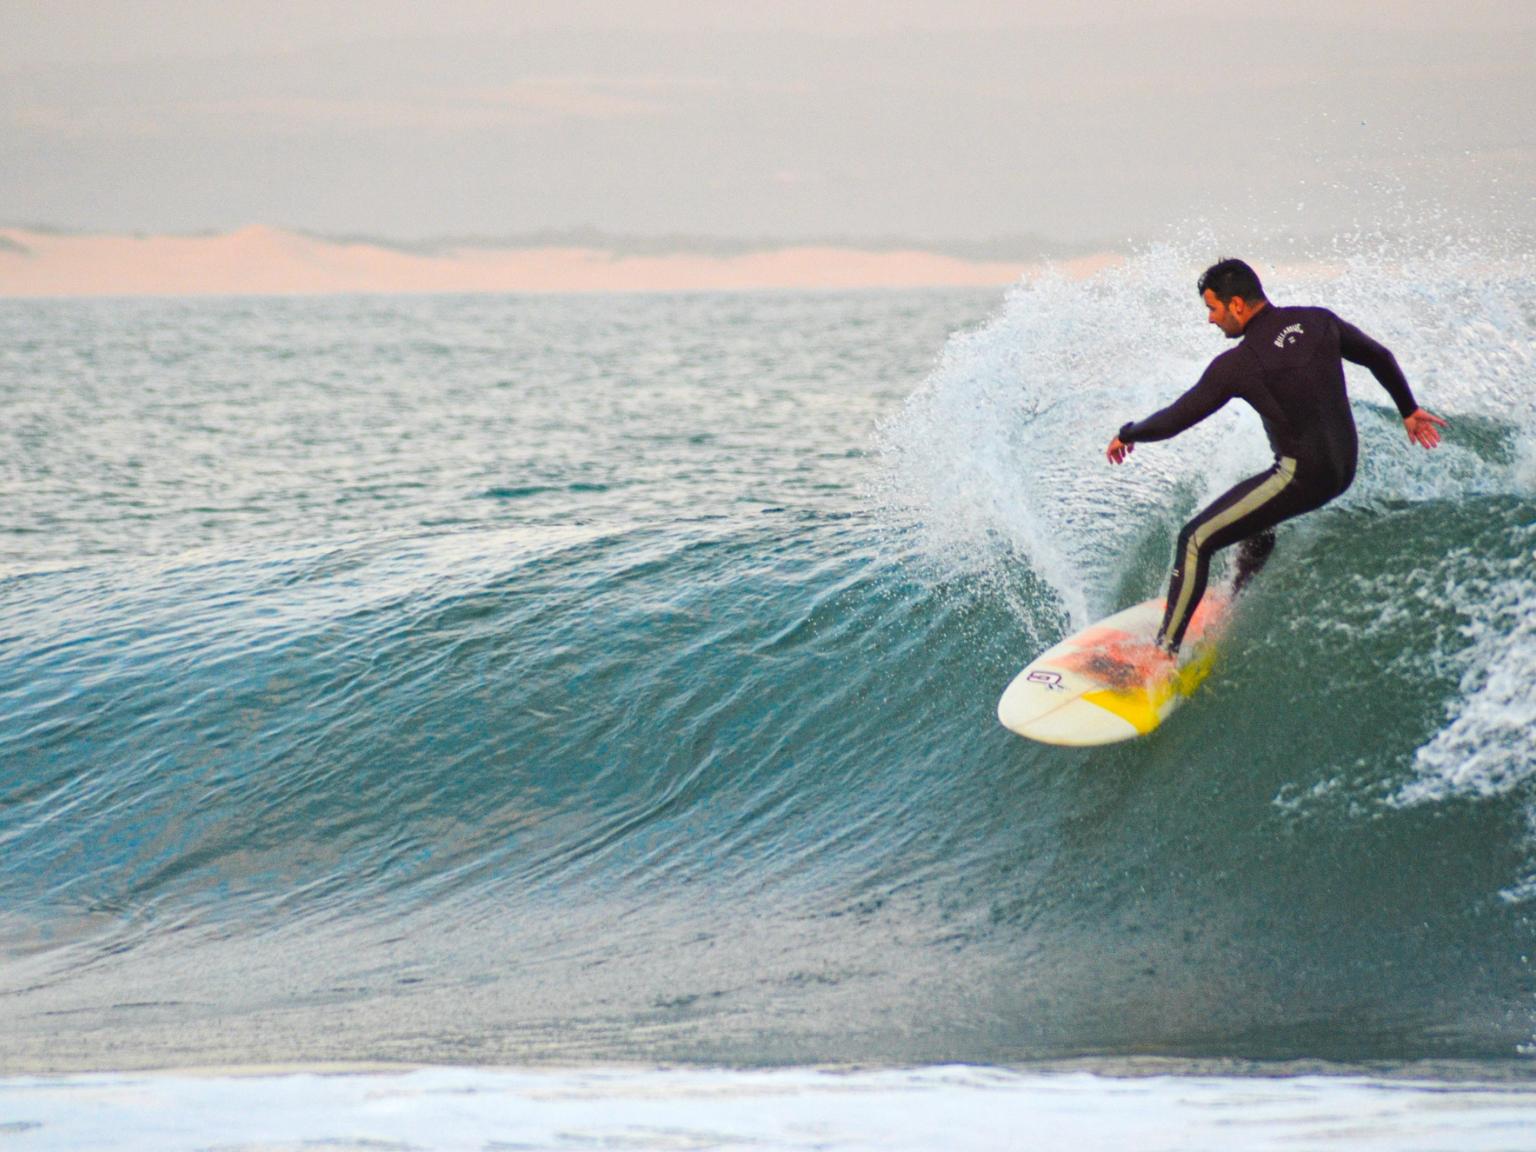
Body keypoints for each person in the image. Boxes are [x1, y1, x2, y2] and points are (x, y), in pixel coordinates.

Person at [1105, 258, 1446, 657]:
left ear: (1236, 305)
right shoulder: (1319, 321)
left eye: (1212, 309)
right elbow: (1379, 356)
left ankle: (1162, 653)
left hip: (1303, 476)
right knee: (1258, 515)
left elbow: (1175, 419)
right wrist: (1408, 409)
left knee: (1195, 540)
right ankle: (1235, 595)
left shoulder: (1239, 364)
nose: (1211, 321)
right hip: (1342, 469)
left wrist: (1127, 433)